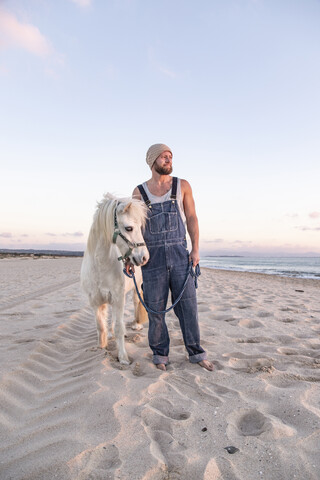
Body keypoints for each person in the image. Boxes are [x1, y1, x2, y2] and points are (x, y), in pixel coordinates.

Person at [131, 143, 213, 372]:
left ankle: (196, 353)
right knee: (156, 310)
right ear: (153, 161)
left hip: (180, 256)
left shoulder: (182, 185)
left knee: (188, 308)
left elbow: (192, 218)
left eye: (170, 156)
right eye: (164, 157)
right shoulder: (139, 192)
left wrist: (195, 249)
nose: (168, 160)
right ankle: (160, 354)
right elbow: (135, 228)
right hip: (152, 259)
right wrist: (130, 257)